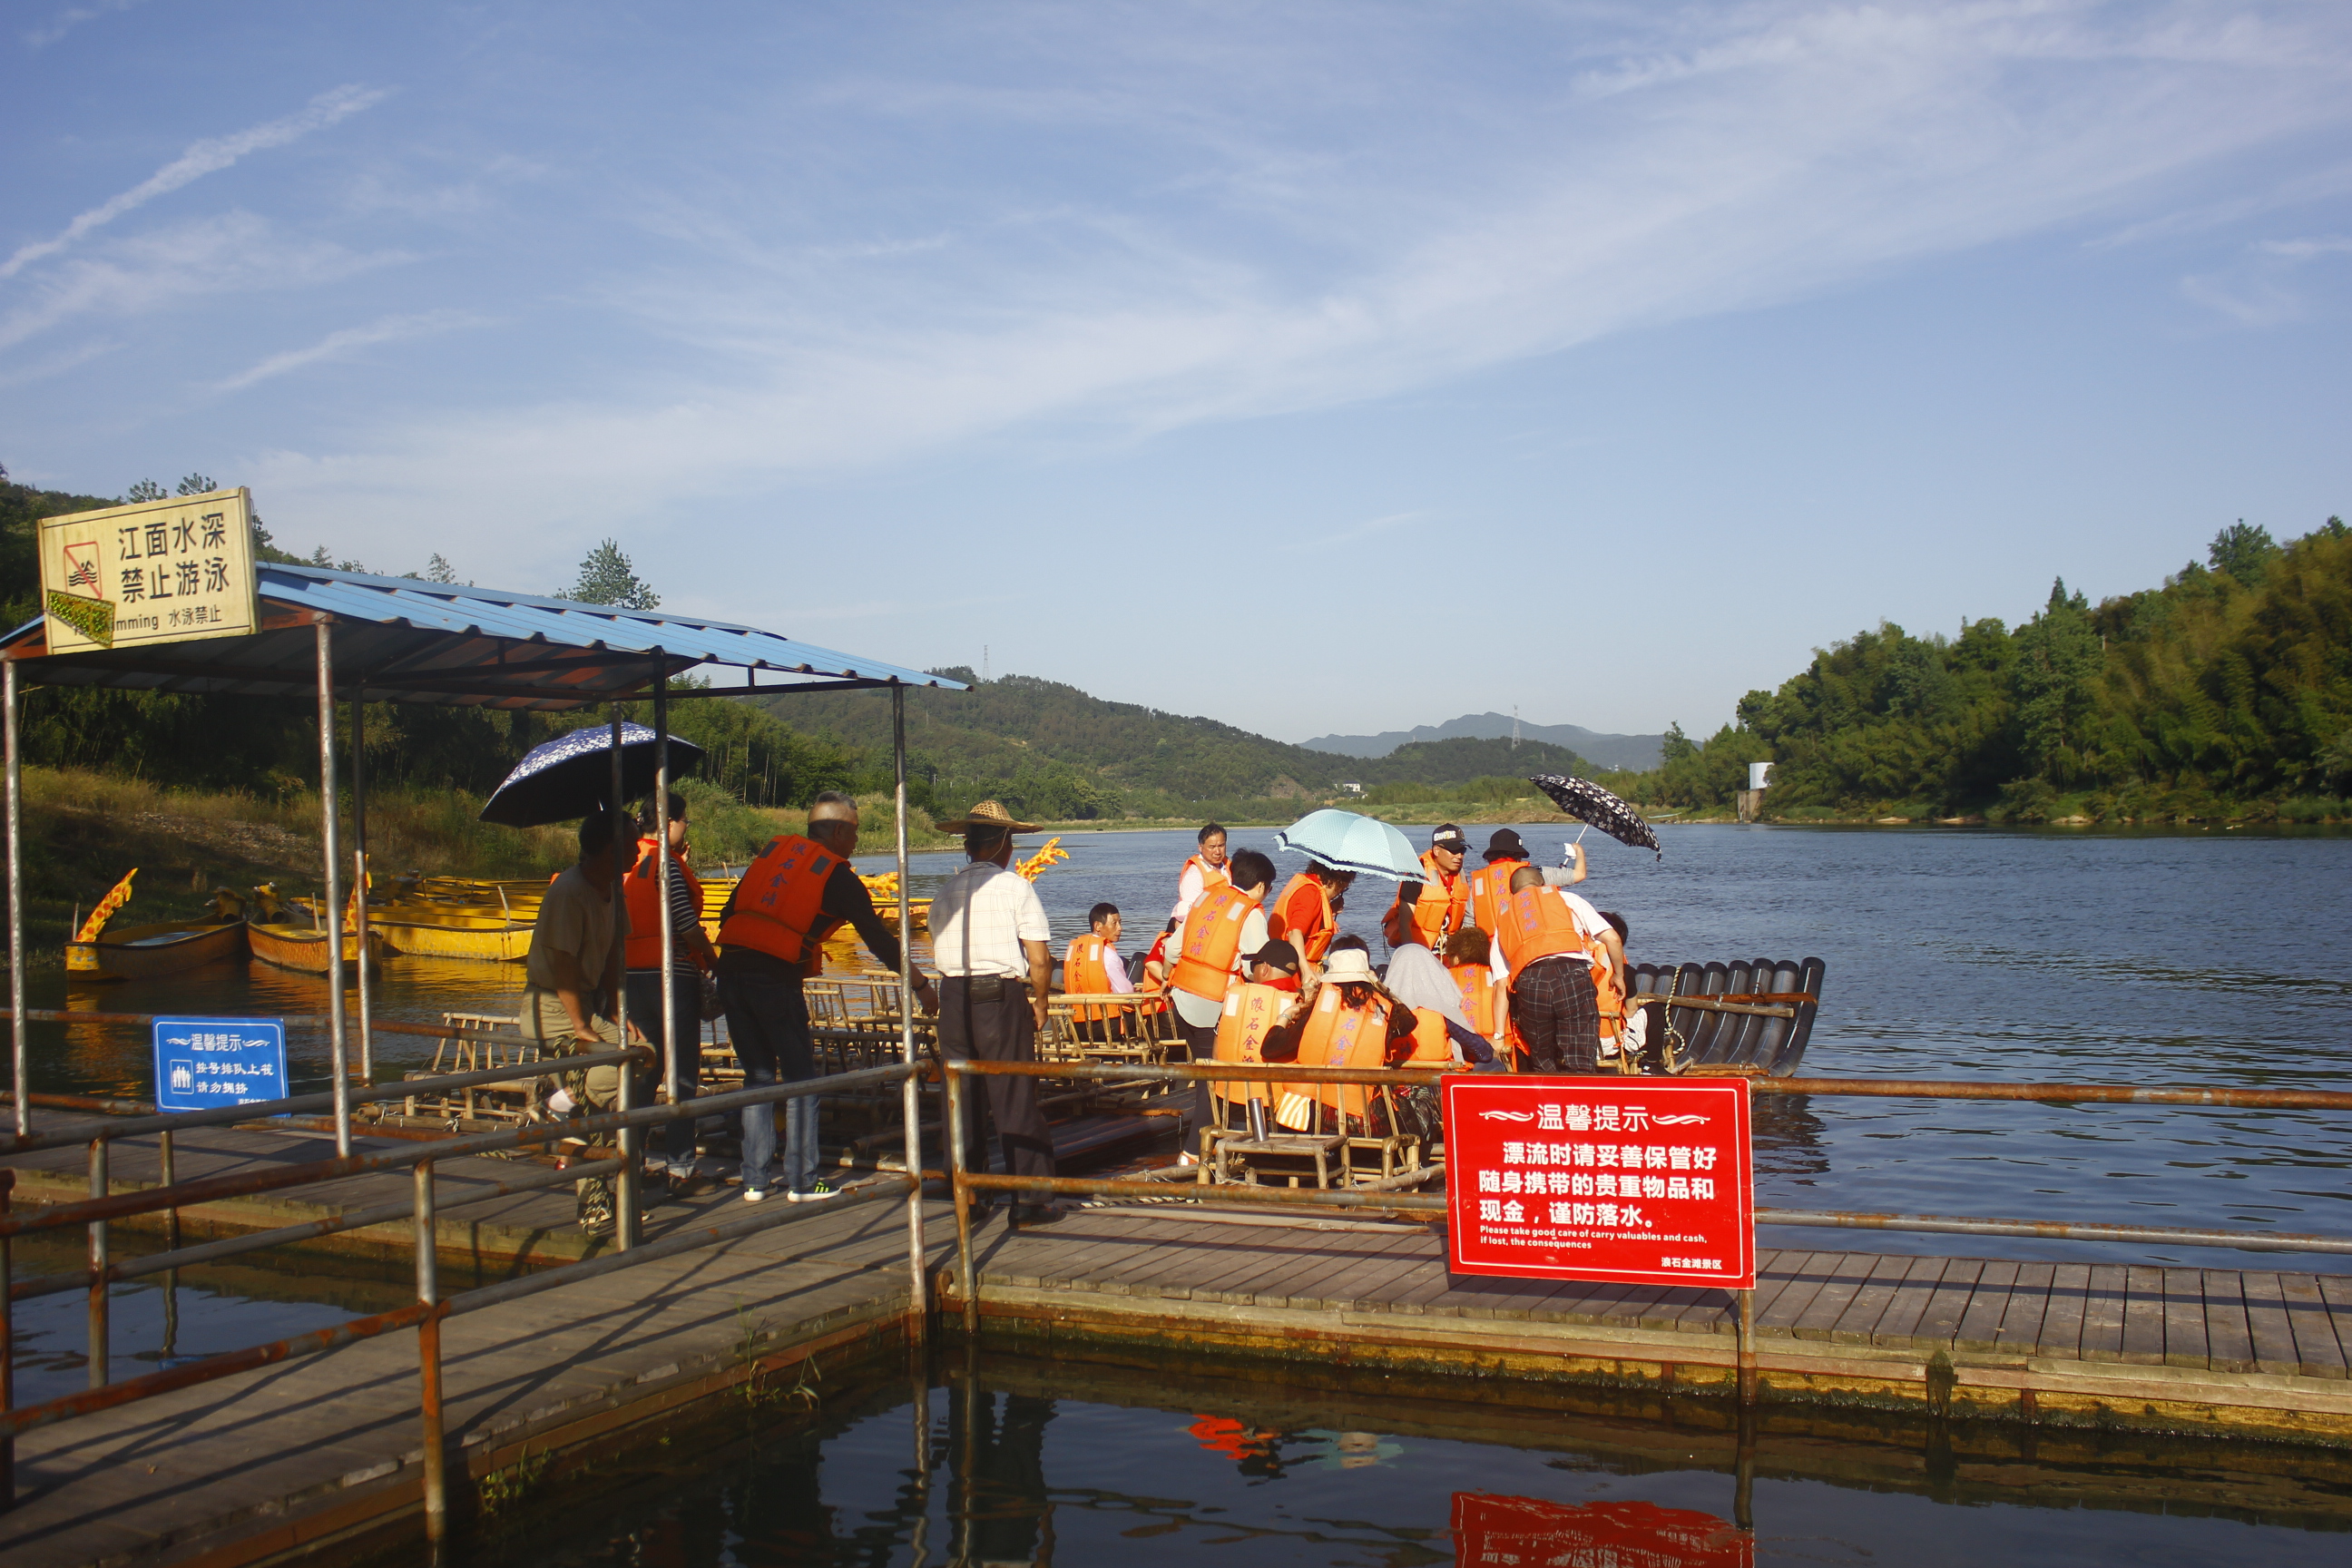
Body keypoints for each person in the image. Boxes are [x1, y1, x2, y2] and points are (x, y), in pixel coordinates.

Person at [715, 791, 936, 1203]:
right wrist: (921, 985)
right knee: (802, 1080)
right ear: (838, 831)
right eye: (854, 834)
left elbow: (729, 915)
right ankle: (802, 1181)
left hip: (730, 974)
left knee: (758, 1077)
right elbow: (879, 941)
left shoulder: (769, 858)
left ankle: (755, 1181)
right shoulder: (835, 876)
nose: (855, 843)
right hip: (774, 981)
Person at [928, 799, 1060, 1228]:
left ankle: (967, 1194)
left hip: (952, 998)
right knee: (1014, 1095)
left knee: (960, 1098)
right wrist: (1039, 1002)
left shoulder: (944, 892)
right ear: (1005, 843)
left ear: (968, 846)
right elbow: (1039, 959)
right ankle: (1029, 1201)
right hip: (997, 998)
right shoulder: (1015, 887)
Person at [524, 808, 640, 1235]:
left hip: (589, 1002)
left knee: (640, 1057)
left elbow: (612, 953)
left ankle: (561, 1107)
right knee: (610, 1076)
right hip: (555, 1006)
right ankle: (593, 1199)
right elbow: (563, 963)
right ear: (610, 849)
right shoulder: (570, 893)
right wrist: (581, 1026)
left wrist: (613, 1010)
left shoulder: (612, 888)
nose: (637, 851)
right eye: (631, 844)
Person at [622, 791, 720, 1196]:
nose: (686, 829)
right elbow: (686, 926)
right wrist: (714, 960)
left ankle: (634, 1159)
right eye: (685, 821)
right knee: (682, 1073)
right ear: (670, 823)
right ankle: (682, 1169)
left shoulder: (625, 863)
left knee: (646, 1071)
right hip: (670, 978)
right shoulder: (669, 866)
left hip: (629, 978)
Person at [1165, 848, 1279, 1147]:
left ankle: (1209, 1147)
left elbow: (1171, 950)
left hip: (1180, 998)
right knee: (1211, 1082)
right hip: (1212, 1005)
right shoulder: (1250, 912)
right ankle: (1193, 1154)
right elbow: (1257, 969)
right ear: (1260, 887)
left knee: (1205, 1075)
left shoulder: (1205, 898)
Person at [1259, 946, 1427, 1135]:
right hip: (1364, 1122)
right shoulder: (1383, 1012)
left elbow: (1270, 1049)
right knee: (1404, 1108)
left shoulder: (1316, 1013)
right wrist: (1381, 987)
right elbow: (1409, 1022)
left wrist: (1285, 1017)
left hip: (1317, 1118)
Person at [1491, 864, 1613, 1073]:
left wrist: (1498, 1036)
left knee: (1542, 1060)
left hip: (1531, 983)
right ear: (1543, 884)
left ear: (1513, 893)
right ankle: (1580, 1101)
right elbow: (1613, 939)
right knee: (1580, 1058)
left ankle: (1547, 1101)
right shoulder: (1567, 899)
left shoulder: (1504, 919)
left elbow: (1502, 984)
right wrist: (1619, 975)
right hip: (1572, 975)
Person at [1207, 939, 1301, 1142]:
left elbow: (1216, 1051)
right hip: (1281, 1110)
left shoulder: (1235, 998)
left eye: (1253, 966)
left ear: (1265, 968)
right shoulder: (1299, 1004)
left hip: (1232, 1101)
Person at [1462, 828, 1587, 936]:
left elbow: (1469, 923)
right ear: (1518, 854)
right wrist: (1579, 850)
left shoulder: (1479, 883)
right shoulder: (1535, 874)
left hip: (1491, 950)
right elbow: (1579, 874)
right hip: (1525, 944)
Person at [1381, 824, 1471, 952]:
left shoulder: (1460, 877)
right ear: (1436, 851)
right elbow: (1404, 923)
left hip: (1450, 954)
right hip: (1422, 952)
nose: (1459, 856)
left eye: (1462, 851)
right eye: (1454, 850)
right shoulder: (1416, 875)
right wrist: (1411, 955)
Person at [1062, 902, 1132, 1040]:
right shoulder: (1109, 955)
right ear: (1098, 926)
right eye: (1115, 923)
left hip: (1077, 1025)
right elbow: (1126, 994)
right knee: (1143, 1013)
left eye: (1120, 923)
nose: (1120, 928)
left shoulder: (1073, 951)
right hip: (1107, 1025)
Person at [1266, 861, 1354, 972]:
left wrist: (1329, 910)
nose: (1338, 893)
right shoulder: (1311, 894)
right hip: (1292, 971)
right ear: (1335, 881)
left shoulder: (1304, 884)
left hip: (1277, 959)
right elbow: (1294, 932)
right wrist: (1305, 970)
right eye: (1342, 888)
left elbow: (1303, 917)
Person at [1441, 926, 1506, 1056]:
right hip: (1499, 1050)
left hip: (1459, 1053)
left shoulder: (1444, 977)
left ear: (1457, 958)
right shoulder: (1498, 977)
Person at [1168, 822, 1232, 924]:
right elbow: (1188, 916)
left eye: (1221, 846)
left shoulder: (1229, 867)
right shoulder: (1194, 875)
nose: (1217, 851)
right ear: (1200, 847)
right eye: (1212, 847)